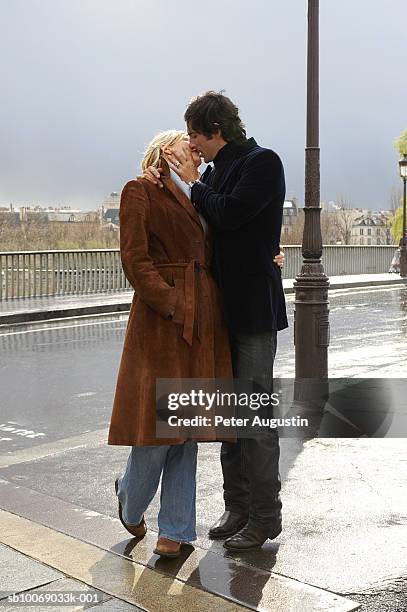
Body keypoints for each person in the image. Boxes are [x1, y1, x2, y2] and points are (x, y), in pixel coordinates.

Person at [145, 91, 288, 551]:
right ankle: (238, 505)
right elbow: (195, 227)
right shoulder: (213, 171)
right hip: (220, 312)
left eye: (194, 135)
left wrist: (192, 182)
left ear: (215, 131)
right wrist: (163, 181)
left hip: (252, 312)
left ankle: (266, 516)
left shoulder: (263, 162)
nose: (192, 145)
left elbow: (228, 214)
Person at [108, 130, 233, 558]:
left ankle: (175, 531)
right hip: (164, 323)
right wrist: (174, 304)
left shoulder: (203, 192)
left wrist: (266, 255)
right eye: (186, 140)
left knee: (188, 429)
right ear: (166, 152)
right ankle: (131, 496)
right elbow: (135, 260)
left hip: (203, 322)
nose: (194, 145)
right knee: (161, 430)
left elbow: (220, 247)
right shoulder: (140, 189)